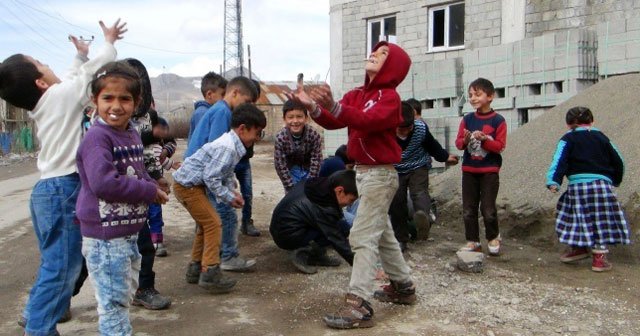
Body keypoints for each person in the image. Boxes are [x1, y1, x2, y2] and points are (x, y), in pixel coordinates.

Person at [0, 19, 126, 335]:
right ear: (42, 82)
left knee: (57, 265)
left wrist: (79, 54)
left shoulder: (50, 102)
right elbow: (83, 78)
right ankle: (38, 328)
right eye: (42, 64)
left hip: (49, 191)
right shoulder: (59, 98)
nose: (47, 65)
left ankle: (40, 322)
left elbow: (71, 77)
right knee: (62, 268)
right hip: (63, 189)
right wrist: (108, 42)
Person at [287, 41, 416, 329]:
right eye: (375, 50)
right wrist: (313, 108)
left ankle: (359, 305)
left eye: (383, 54)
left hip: (380, 175)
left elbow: (369, 121)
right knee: (382, 235)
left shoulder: (390, 98)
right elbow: (336, 120)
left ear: (393, 68)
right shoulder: (357, 94)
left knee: (362, 236)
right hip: (365, 173)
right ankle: (404, 287)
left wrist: (333, 105)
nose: (374, 53)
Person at [76, 60, 169, 335]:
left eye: (124, 99)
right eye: (108, 98)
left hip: (127, 236)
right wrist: (149, 191)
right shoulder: (98, 137)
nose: (116, 106)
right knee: (114, 308)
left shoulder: (130, 133)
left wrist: (153, 182)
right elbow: (104, 183)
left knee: (121, 301)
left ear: (137, 101)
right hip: (106, 239)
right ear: (95, 100)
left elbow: (135, 172)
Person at [173, 103, 266, 291]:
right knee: (214, 224)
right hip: (188, 187)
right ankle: (210, 272)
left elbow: (226, 172)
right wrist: (228, 197)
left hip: (193, 186)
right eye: (257, 133)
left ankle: (196, 268)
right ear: (242, 129)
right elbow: (211, 177)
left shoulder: (232, 145)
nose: (257, 138)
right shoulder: (228, 147)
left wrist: (232, 191)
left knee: (204, 225)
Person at [185, 76, 259, 271]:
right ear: (234, 93)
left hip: (201, 174)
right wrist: (226, 187)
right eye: (247, 101)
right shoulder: (223, 112)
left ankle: (202, 262)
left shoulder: (219, 109)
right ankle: (228, 256)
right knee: (225, 214)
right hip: (205, 174)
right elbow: (218, 151)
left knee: (208, 221)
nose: (247, 106)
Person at [546, 106, 629, 272]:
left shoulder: (567, 139)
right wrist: (616, 180)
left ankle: (578, 248)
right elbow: (618, 160)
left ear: (568, 125)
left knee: (575, 216)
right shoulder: (602, 138)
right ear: (592, 121)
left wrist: (553, 181)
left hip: (578, 187)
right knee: (601, 221)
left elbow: (559, 161)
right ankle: (599, 259)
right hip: (602, 186)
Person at [124, 58, 172, 310]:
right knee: (86, 259)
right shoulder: (104, 120)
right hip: (109, 202)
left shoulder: (146, 117)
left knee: (144, 246)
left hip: (137, 196)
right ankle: (58, 299)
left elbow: (147, 154)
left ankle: (144, 288)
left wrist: (157, 177)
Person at [390, 102, 458, 251]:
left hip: (418, 165)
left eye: (409, 128)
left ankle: (424, 220)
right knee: (397, 201)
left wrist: (445, 157)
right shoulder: (385, 130)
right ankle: (401, 238)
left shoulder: (420, 128)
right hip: (396, 169)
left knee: (419, 192)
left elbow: (432, 145)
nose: (405, 132)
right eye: (401, 129)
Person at [454, 78, 507, 255]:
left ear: (490, 96)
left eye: (477, 94)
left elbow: (499, 147)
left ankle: (493, 237)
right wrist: (467, 139)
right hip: (469, 171)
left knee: (488, 208)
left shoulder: (498, 120)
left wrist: (484, 140)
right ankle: (473, 241)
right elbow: (459, 143)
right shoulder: (467, 119)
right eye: (470, 95)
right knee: (468, 208)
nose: (473, 98)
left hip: (489, 172)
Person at [270, 169, 357, 274]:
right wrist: (360, 264)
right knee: (336, 231)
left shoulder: (318, 185)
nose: (350, 204)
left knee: (342, 227)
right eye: (351, 200)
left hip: (280, 227)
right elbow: (335, 237)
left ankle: (313, 252)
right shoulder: (322, 205)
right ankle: (304, 252)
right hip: (286, 236)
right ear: (339, 190)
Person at [148, 115, 180, 257]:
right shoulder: (136, 143)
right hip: (143, 183)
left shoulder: (157, 146)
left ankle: (156, 240)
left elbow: (160, 159)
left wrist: (172, 164)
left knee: (155, 211)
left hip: (156, 185)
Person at [274, 99, 323, 192]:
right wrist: (290, 186)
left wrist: (310, 182)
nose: (295, 121)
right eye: (290, 117)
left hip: (308, 169)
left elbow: (316, 160)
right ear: (284, 119)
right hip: (291, 171)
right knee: (292, 200)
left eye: (299, 116)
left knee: (309, 197)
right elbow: (280, 164)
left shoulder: (313, 135)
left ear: (306, 118)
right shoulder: (281, 137)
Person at [234, 78, 262, 237]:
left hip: (244, 160)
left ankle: (246, 222)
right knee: (227, 193)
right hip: (232, 159)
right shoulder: (233, 114)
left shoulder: (253, 115)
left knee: (247, 193)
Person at [188, 71, 227, 141]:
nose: (225, 98)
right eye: (222, 94)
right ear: (209, 94)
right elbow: (201, 141)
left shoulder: (211, 111)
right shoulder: (202, 113)